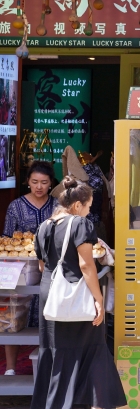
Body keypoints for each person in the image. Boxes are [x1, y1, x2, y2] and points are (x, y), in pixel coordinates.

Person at [31, 176, 126, 409]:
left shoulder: (44, 227)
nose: (89, 210)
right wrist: (99, 298)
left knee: (56, 351)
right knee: (93, 347)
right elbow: (86, 265)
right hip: (77, 295)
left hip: (51, 297)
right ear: (77, 205)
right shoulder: (80, 225)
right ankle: (97, 405)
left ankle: (54, 406)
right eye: (89, 206)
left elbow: (43, 266)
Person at [3, 161, 57, 376]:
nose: (39, 187)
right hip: (21, 270)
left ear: (51, 184)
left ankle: (49, 370)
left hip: (50, 271)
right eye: (34, 182)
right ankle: (10, 369)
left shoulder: (58, 205)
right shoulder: (15, 206)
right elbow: (6, 239)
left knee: (49, 319)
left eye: (44, 182)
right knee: (13, 316)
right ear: (27, 182)